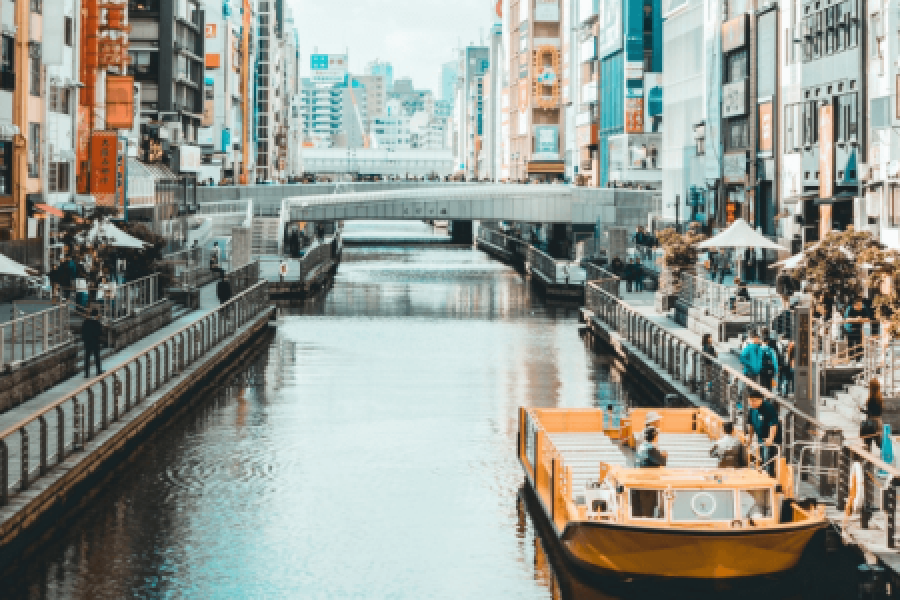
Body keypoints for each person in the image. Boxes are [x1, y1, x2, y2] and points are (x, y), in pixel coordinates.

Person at [747, 392, 781, 477]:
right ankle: (762, 475)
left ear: (761, 400)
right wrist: (749, 439)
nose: (752, 403)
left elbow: (773, 425)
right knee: (761, 456)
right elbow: (751, 425)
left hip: (772, 437)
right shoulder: (752, 409)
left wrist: (770, 438)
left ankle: (771, 476)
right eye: (750, 401)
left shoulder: (768, 408)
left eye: (754, 401)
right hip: (760, 436)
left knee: (770, 457)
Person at [860, 378, 884, 451]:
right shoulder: (880, 398)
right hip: (878, 421)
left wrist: (862, 410)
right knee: (880, 444)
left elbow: (870, 412)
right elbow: (878, 411)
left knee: (867, 443)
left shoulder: (871, 399)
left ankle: (867, 460)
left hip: (871, 422)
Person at [82, 309, 104, 378]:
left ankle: (86, 373)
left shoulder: (86, 322)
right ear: (97, 315)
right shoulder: (97, 323)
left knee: (87, 357)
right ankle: (98, 371)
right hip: (95, 341)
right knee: (97, 356)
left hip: (88, 342)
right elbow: (100, 333)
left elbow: (83, 332)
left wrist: (85, 340)